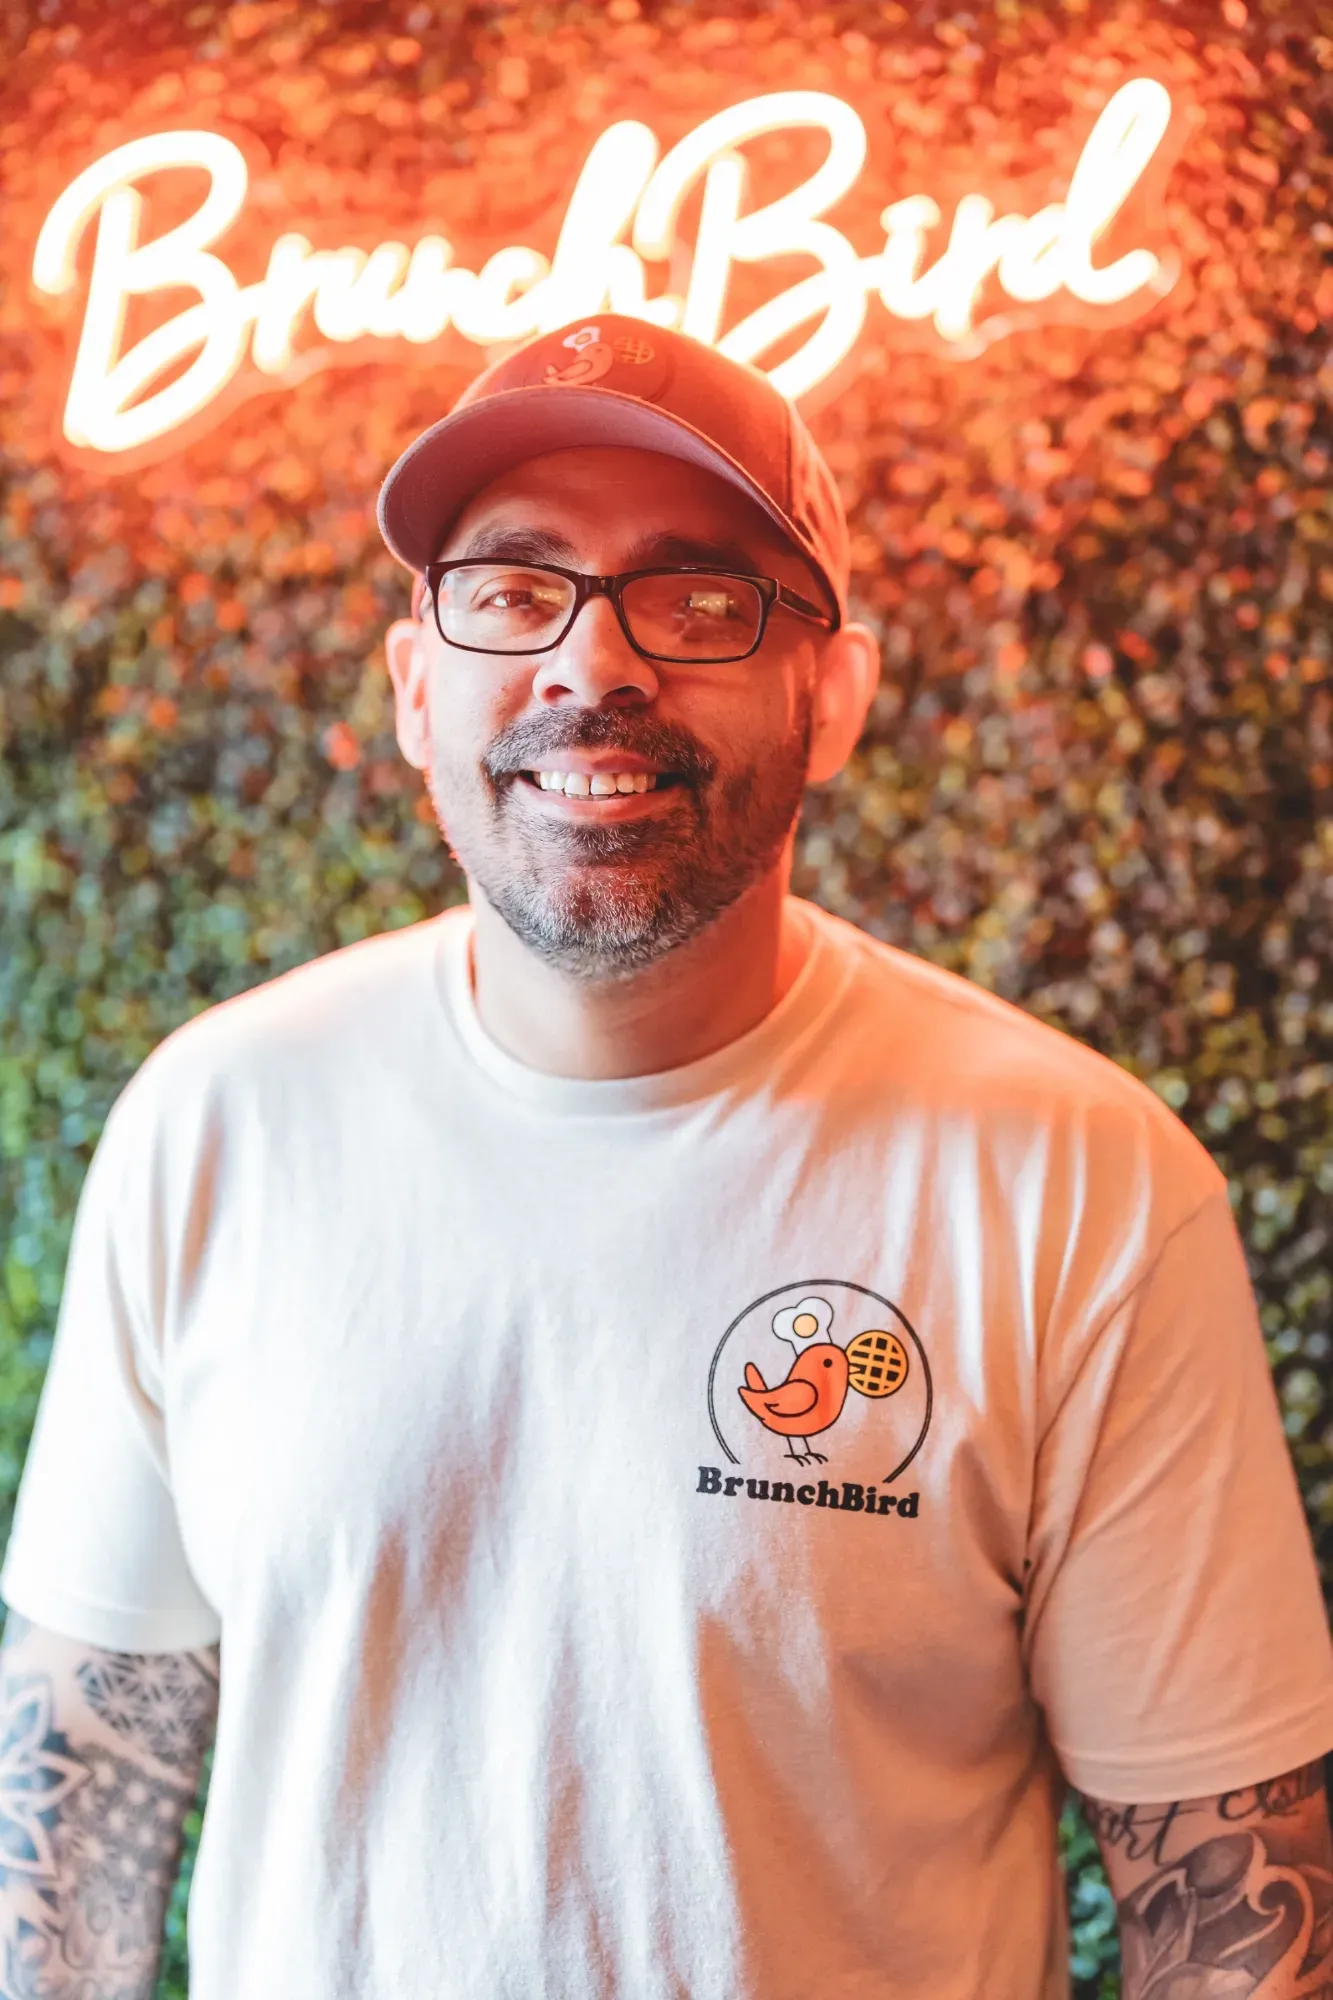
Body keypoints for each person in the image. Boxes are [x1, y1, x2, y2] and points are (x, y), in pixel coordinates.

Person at [1, 313, 1331, 2000]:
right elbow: (74, 1803)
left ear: (829, 695)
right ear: (419, 687)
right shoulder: (216, 1124)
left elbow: (1238, 1918)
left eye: (699, 597)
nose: (590, 668)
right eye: (511, 587)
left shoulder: (1082, 1190)